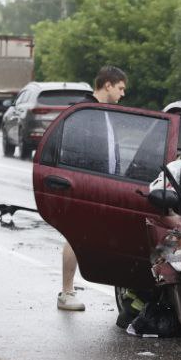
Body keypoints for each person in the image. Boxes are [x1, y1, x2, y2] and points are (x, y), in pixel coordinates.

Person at [57, 65, 128, 311]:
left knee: (98, 238)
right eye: (120, 88)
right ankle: (66, 293)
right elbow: (72, 151)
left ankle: (122, 293)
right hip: (84, 186)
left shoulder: (105, 112)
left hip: (105, 187)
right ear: (107, 84)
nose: (122, 94)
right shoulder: (83, 111)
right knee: (75, 236)